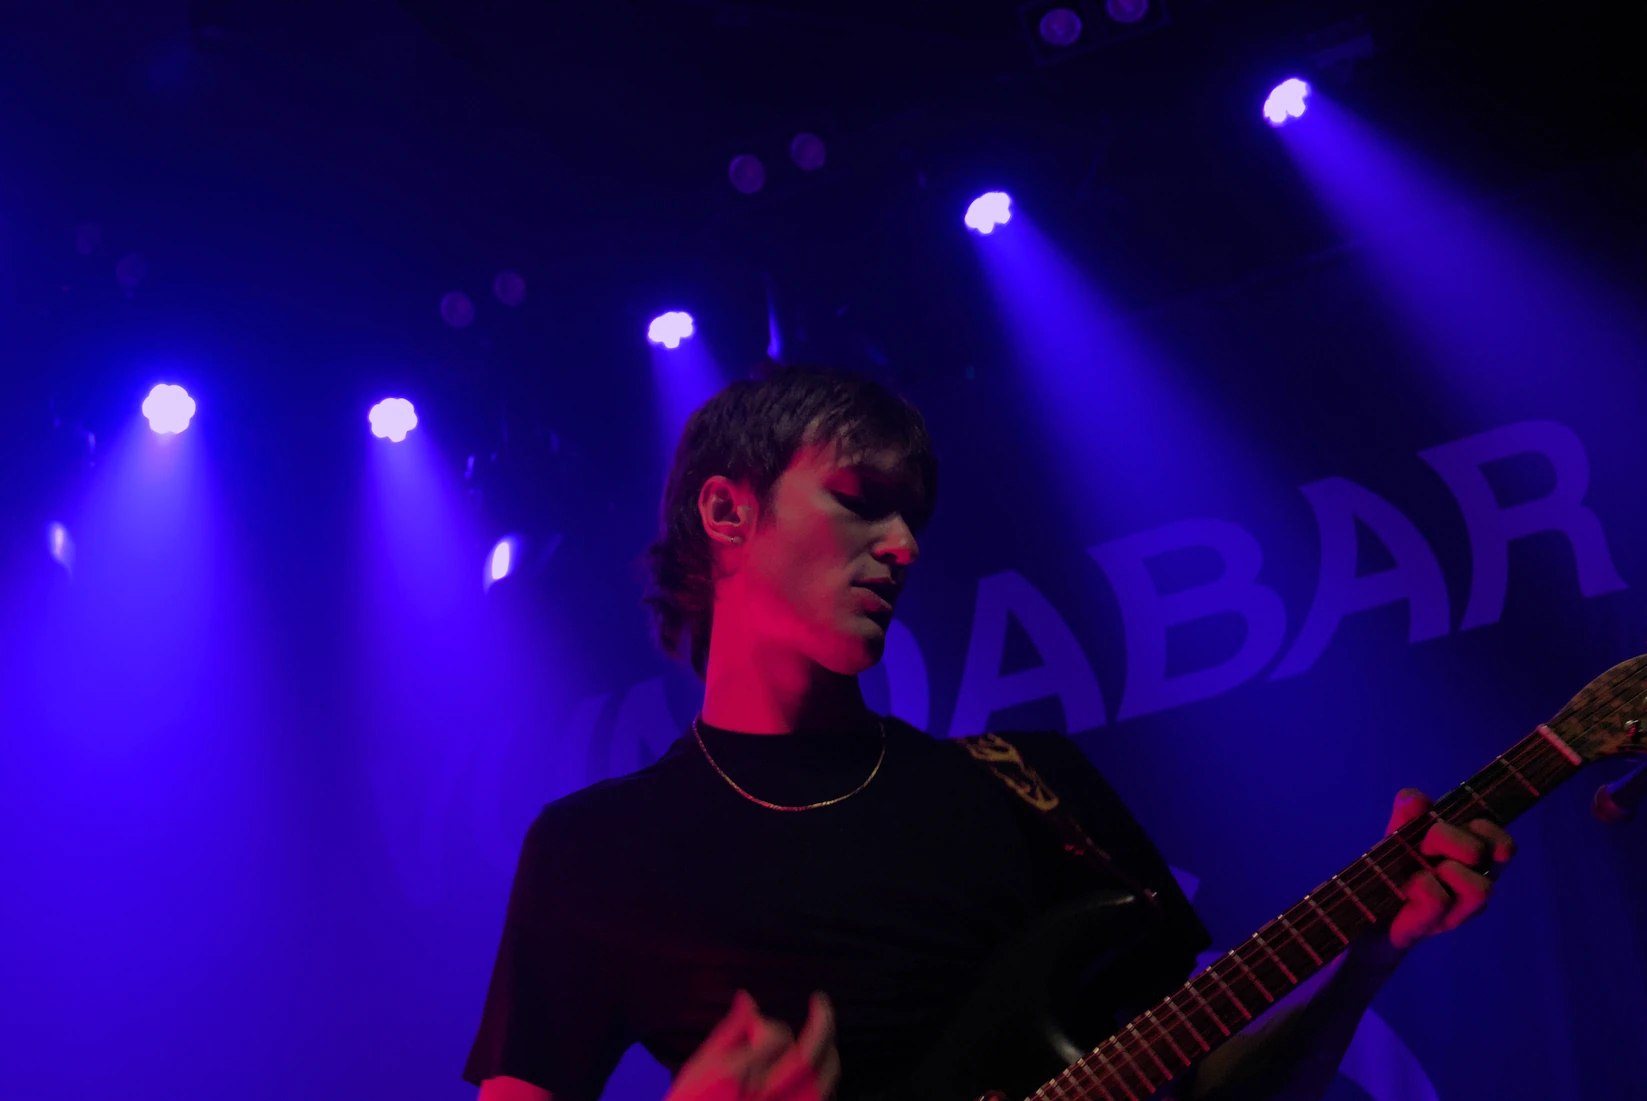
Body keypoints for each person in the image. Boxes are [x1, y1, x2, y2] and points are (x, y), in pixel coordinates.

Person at [464, 366, 1515, 1101]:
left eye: (914, 516)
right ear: (727, 515)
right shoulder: (595, 850)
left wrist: (1367, 959)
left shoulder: (1031, 788)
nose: (905, 546)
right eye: (861, 502)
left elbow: (1205, 1089)